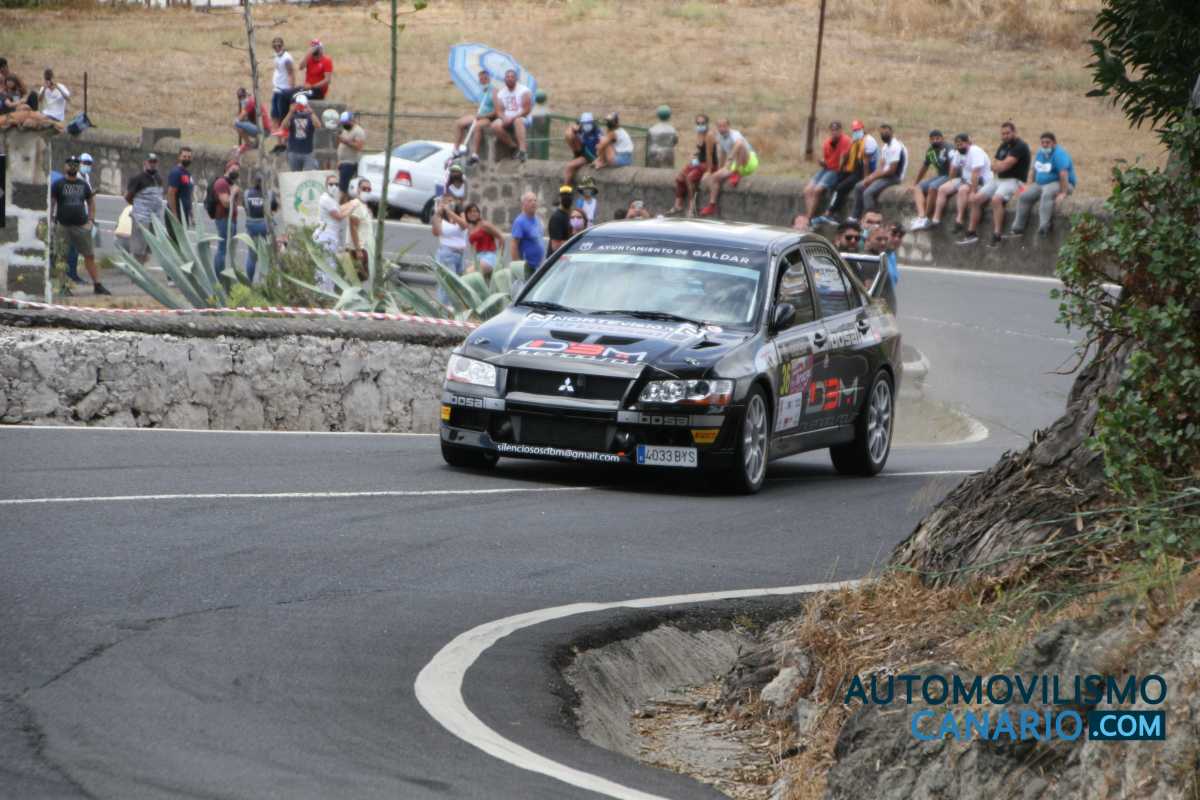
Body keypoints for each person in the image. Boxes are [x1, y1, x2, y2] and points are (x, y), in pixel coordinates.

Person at [960, 121, 1031, 246]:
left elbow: (1005, 165)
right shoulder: (1003, 145)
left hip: (1014, 180)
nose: (1005, 136)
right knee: (975, 199)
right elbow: (994, 165)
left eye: (1008, 133)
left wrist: (999, 166)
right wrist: (999, 166)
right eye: (1003, 134)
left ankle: (997, 234)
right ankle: (971, 233)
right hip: (998, 179)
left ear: (1014, 132)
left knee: (996, 199)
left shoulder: (1021, 146)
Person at [51, 155, 110, 295]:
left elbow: (91, 202)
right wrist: (51, 221)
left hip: (81, 225)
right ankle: (63, 286)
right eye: (70, 164)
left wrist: (91, 220)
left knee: (89, 255)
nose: (73, 166)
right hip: (63, 225)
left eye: (75, 164)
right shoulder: (58, 184)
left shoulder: (83, 185)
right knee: (61, 257)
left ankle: (97, 285)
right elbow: (52, 203)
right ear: (65, 166)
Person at [1011, 131, 1076, 237]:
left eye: (1048, 142)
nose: (1045, 144)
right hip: (1041, 184)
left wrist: (1063, 193)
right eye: (1043, 142)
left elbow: (1063, 174)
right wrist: (1028, 186)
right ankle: (1018, 227)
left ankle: (1044, 227)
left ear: (1054, 143)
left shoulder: (1059, 154)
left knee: (1047, 193)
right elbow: (1034, 170)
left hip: (1062, 183)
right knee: (1024, 196)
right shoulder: (1040, 153)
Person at [927, 132, 992, 233]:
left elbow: (976, 173)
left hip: (980, 180)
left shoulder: (975, 152)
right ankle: (936, 220)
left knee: (962, 190)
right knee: (942, 189)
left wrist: (973, 191)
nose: (959, 147)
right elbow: (953, 168)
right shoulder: (958, 153)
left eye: (961, 144)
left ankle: (959, 220)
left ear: (968, 143)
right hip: (965, 179)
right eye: (957, 145)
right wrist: (950, 182)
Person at [817, 119, 878, 224]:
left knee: (841, 188)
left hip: (864, 171)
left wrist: (866, 179)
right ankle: (835, 213)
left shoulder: (868, 141)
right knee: (836, 182)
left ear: (862, 129)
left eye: (857, 130)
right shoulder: (856, 140)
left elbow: (866, 163)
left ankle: (829, 212)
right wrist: (841, 171)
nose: (855, 132)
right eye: (854, 130)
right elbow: (848, 157)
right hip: (855, 169)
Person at [699, 119, 758, 216]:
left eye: (724, 126)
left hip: (748, 161)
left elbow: (739, 144)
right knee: (714, 177)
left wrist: (730, 157)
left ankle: (737, 172)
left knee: (740, 145)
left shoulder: (735, 134)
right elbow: (722, 154)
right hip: (735, 163)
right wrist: (720, 169)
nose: (722, 129)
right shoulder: (720, 137)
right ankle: (712, 205)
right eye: (720, 126)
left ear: (728, 126)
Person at [850, 124, 907, 222]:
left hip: (894, 177)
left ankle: (873, 219)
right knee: (859, 186)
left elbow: (891, 170)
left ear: (892, 132)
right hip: (885, 175)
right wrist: (870, 177)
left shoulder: (896, 146)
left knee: (868, 193)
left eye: (886, 131)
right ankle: (855, 217)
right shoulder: (885, 147)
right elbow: (881, 167)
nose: (883, 134)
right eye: (882, 132)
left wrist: (873, 178)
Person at [802, 121, 851, 223]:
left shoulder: (846, 141)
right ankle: (809, 215)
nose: (834, 132)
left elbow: (843, 160)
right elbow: (826, 160)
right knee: (807, 190)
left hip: (836, 170)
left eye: (836, 130)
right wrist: (821, 161)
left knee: (817, 190)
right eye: (832, 130)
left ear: (841, 130)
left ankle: (809, 218)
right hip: (827, 168)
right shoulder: (827, 143)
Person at [668, 113, 717, 216]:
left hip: (709, 164)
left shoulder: (709, 135)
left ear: (707, 124)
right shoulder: (699, 133)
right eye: (698, 123)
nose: (700, 125)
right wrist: (694, 157)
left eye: (702, 123)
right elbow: (700, 151)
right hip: (700, 161)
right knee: (680, 177)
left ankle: (692, 206)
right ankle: (678, 204)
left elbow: (709, 155)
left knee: (690, 178)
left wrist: (708, 171)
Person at [124, 153, 165, 265]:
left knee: (149, 248)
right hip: (141, 219)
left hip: (155, 219)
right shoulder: (138, 179)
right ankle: (137, 269)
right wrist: (140, 207)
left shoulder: (158, 178)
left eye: (154, 162)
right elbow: (128, 197)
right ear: (145, 163)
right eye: (150, 162)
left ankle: (142, 267)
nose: (152, 164)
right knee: (138, 248)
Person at [314, 172, 352, 291]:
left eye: (336, 184)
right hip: (326, 235)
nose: (334, 187)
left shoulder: (332, 199)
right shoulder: (326, 199)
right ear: (326, 185)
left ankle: (326, 291)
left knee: (329, 265)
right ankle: (324, 291)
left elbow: (339, 210)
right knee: (327, 266)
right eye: (331, 184)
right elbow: (338, 216)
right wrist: (352, 207)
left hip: (331, 235)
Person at [907, 130, 952, 230]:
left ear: (942, 139)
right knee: (918, 188)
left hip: (950, 175)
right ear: (929, 140)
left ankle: (926, 217)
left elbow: (954, 165)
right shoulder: (930, 151)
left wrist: (952, 180)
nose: (935, 141)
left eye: (937, 138)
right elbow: (924, 167)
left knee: (933, 187)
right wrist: (915, 183)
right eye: (932, 139)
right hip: (941, 175)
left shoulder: (948, 148)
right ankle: (921, 216)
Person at [64, 152, 96, 283]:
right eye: (85, 163)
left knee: (77, 249)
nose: (87, 166)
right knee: (72, 248)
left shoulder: (86, 177)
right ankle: (70, 274)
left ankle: (73, 274)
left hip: (83, 216)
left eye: (89, 164)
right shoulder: (75, 177)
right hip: (74, 216)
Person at [431, 196, 469, 304]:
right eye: (446, 201)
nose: (449, 203)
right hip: (447, 254)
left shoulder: (460, 214)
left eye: (451, 201)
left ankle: (453, 308)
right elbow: (436, 232)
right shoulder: (440, 216)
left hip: (460, 254)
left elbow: (464, 225)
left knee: (458, 285)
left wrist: (450, 212)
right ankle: (444, 308)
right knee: (447, 285)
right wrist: (437, 214)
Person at [490, 69, 532, 162]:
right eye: (507, 77)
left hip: (522, 117)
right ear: (504, 79)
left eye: (512, 77)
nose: (510, 79)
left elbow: (527, 110)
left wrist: (513, 118)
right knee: (495, 125)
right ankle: (513, 146)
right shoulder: (501, 93)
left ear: (516, 79)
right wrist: (503, 118)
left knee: (518, 121)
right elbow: (499, 111)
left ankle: (522, 151)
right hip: (507, 117)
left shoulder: (524, 91)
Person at [457, 69, 496, 162]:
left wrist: (483, 116)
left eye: (485, 78)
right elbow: (481, 107)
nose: (483, 81)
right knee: (459, 123)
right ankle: (456, 149)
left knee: (477, 126)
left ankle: (475, 154)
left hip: (489, 118)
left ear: (489, 79)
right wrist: (478, 114)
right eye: (481, 79)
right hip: (479, 115)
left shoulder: (494, 92)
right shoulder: (481, 92)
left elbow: (496, 112)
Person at [243, 176, 277, 282]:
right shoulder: (270, 194)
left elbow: (245, 208)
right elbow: (274, 208)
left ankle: (249, 281)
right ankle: (265, 282)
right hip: (265, 226)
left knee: (251, 256)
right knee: (266, 255)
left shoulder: (246, 193)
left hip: (251, 226)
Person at [210, 161, 240, 274]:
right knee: (222, 250)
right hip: (224, 219)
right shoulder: (221, 183)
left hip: (232, 219)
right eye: (233, 169)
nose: (236, 172)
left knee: (230, 250)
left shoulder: (230, 183)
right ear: (227, 169)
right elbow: (226, 203)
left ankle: (226, 274)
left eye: (237, 170)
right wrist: (233, 192)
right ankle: (219, 276)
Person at [275, 94, 318, 171]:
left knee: (308, 175)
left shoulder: (310, 117)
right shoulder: (292, 117)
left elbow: (318, 125)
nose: (300, 107)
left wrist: (311, 112)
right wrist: (290, 112)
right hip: (294, 152)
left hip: (308, 152)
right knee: (295, 175)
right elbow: (283, 126)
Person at [347, 177, 376, 279]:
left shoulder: (364, 206)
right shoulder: (357, 205)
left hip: (365, 248)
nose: (366, 191)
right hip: (359, 249)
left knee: (362, 278)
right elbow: (353, 227)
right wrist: (358, 250)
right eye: (364, 188)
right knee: (358, 278)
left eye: (369, 189)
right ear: (358, 189)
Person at [165, 147, 194, 246]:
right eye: (184, 156)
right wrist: (174, 215)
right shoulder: (176, 172)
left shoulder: (187, 174)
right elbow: (171, 194)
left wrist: (191, 214)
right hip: (176, 214)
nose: (187, 159)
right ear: (179, 157)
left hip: (184, 214)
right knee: (176, 244)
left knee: (182, 243)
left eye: (189, 157)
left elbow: (188, 194)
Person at [465, 202, 504, 275]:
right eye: (469, 212)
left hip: (489, 257)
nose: (472, 214)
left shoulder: (485, 225)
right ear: (466, 215)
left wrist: (499, 258)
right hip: (478, 258)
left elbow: (501, 237)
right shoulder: (470, 228)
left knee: (467, 274)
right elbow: (473, 246)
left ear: (479, 213)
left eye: (475, 211)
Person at [563, 112, 601, 185]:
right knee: (569, 135)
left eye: (588, 123)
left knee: (570, 166)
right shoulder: (580, 129)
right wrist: (572, 127)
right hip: (581, 152)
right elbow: (568, 134)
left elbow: (602, 145)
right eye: (584, 124)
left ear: (592, 123)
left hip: (591, 156)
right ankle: (566, 189)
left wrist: (598, 159)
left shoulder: (597, 132)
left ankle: (565, 189)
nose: (586, 125)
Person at [510, 191, 545, 269]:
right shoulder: (519, 222)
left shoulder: (538, 220)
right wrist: (517, 267)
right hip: (526, 268)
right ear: (523, 204)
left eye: (535, 200)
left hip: (539, 267)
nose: (533, 203)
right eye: (530, 201)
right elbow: (514, 245)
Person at [336, 110, 366, 199]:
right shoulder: (346, 130)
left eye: (346, 122)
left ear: (352, 120)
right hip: (343, 162)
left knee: (343, 188)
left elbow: (359, 146)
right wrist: (339, 160)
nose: (344, 124)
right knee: (342, 187)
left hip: (350, 163)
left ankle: (343, 204)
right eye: (343, 123)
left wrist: (345, 141)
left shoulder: (358, 131)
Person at [269, 37, 296, 133]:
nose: (277, 47)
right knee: (274, 116)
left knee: (282, 117)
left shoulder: (287, 58)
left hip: (284, 91)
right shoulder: (276, 56)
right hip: (276, 89)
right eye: (275, 45)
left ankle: (285, 139)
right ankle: (278, 139)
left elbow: (291, 74)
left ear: (283, 46)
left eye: (279, 45)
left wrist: (291, 92)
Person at [547, 184, 574, 255]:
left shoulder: (569, 216)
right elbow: (555, 246)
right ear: (560, 198)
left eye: (569, 195)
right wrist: (575, 242)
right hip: (556, 259)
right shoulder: (557, 217)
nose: (567, 198)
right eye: (564, 196)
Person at [234, 88, 261, 153]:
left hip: (260, 129)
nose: (241, 98)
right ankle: (253, 144)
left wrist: (238, 118)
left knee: (237, 123)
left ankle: (249, 144)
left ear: (245, 95)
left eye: (242, 96)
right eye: (239, 97)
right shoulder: (251, 99)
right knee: (243, 122)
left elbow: (240, 118)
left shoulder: (248, 102)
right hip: (260, 127)